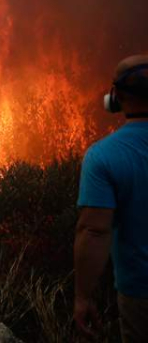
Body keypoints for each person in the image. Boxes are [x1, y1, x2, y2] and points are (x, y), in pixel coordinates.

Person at [75, 55, 148, 342]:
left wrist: (83, 297)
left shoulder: (103, 156)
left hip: (140, 295)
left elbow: (94, 230)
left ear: (115, 97)